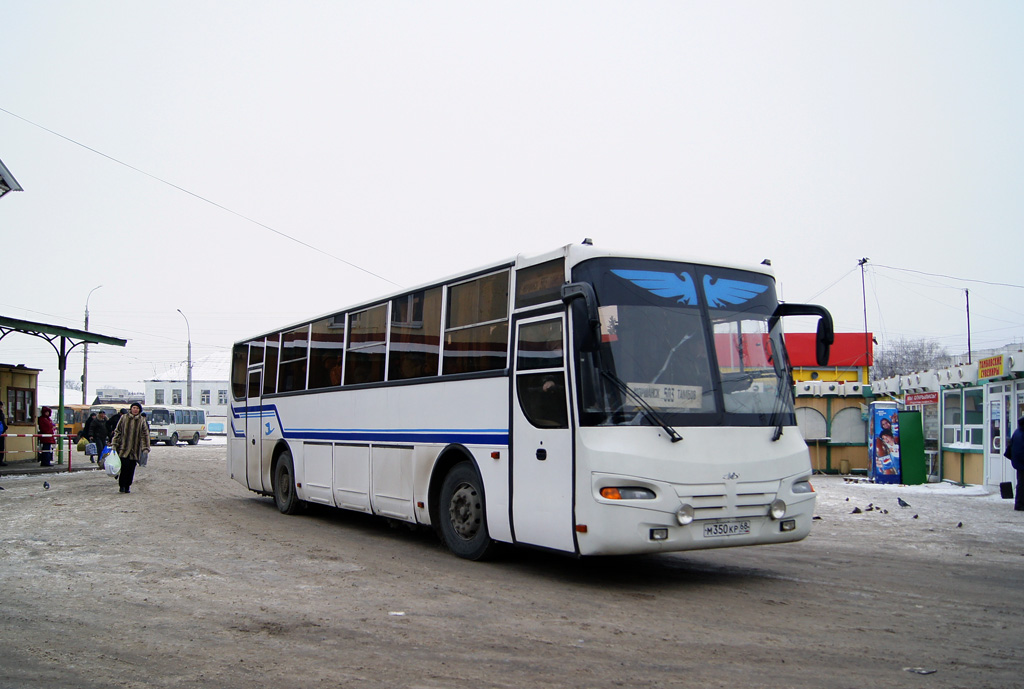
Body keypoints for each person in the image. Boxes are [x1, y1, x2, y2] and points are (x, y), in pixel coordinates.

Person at [110, 402, 150, 494]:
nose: (135, 410)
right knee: (124, 467)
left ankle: (128, 485)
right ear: (131, 409)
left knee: (131, 468)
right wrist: (115, 443)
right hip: (123, 448)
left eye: (137, 408)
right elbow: (118, 431)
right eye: (134, 408)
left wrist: (145, 447)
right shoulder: (124, 418)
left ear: (139, 410)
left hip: (135, 449)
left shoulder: (142, 420)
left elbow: (145, 434)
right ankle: (122, 485)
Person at [1004, 416, 1024, 512]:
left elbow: (1011, 447)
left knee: (1021, 484)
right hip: (1021, 463)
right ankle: (1020, 504)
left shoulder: (1017, 432)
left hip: (1018, 463)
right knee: (1021, 484)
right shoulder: (1022, 434)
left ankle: (1019, 503)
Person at [0, 401, 7, 466]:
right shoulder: (1, 414)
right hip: (1, 433)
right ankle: (0, 461)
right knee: (1, 447)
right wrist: (5, 428)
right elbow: (2, 423)